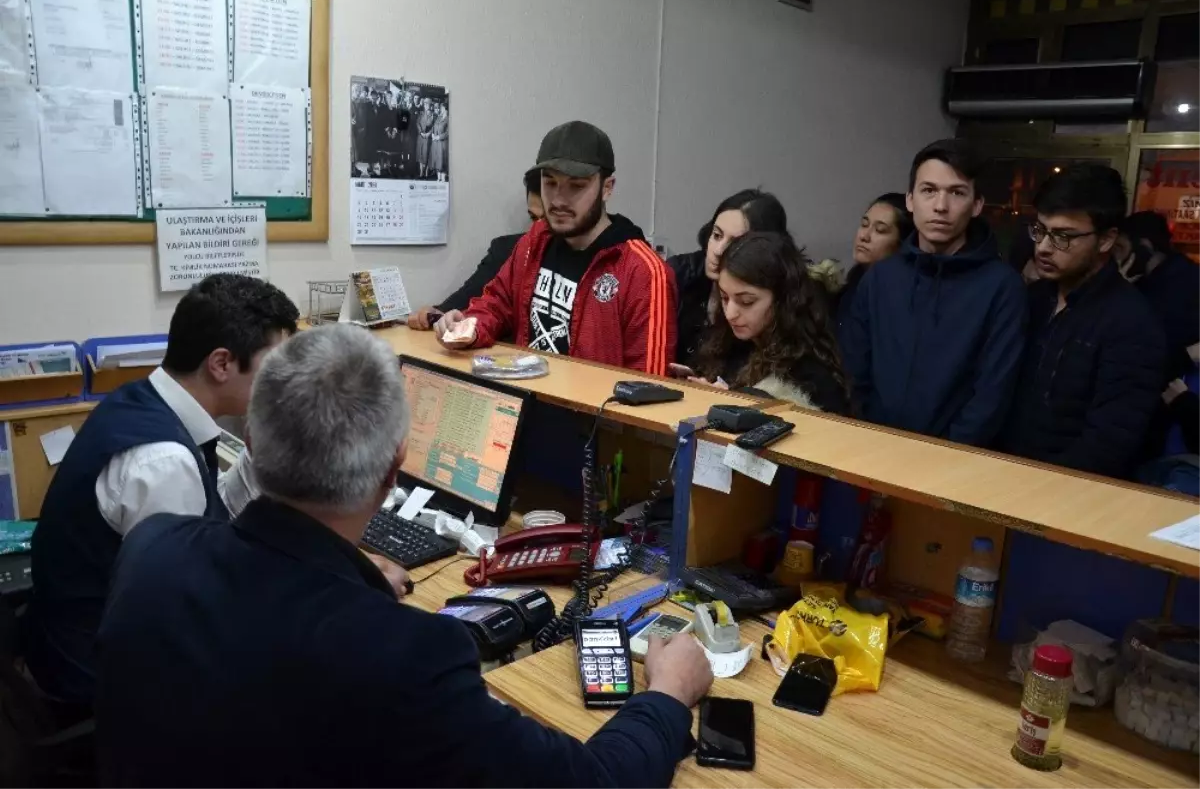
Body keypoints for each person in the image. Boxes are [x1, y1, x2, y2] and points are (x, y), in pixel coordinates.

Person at [95, 325, 714, 788]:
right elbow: (594, 781)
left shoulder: (152, 550)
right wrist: (665, 694)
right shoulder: (407, 658)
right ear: (394, 472)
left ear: (250, 441)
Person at [23, 274, 300, 713]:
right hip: (95, 673)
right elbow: (184, 618)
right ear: (221, 363)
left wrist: (261, 455)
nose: (283, 383)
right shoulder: (163, 462)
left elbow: (211, 518)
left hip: (66, 638)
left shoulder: (146, 398)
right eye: (275, 366)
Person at [435, 121, 675, 375]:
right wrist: (468, 327)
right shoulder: (536, 239)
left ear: (607, 188)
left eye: (576, 186)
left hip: (590, 412)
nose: (559, 199)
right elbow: (496, 303)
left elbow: (650, 387)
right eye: (550, 183)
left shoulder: (643, 272)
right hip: (524, 406)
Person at [840, 138, 1026, 446]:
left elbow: (992, 395)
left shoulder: (1002, 288)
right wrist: (868, 439)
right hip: (871, 451)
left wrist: (944, 457)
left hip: (952, 464)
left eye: (956, 192)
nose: (941, 206)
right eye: (929, 191)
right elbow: (854, 371)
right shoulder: (880, 278)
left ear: (977, 204)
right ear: (910, 200)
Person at [999, 164, 1166, 479]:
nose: (1045, 247)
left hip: (1067, 494)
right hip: (1005, 474)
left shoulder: (1132, 323)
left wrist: (1043, 486)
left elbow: (1110, 441)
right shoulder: (1032, 299)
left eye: (1063, 237)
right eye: (1040, 230)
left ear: (1106, 240)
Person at [691, 232, 850, 413]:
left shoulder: (810, 373)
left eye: (746, 302)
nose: (730, 314)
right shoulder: (729, 345)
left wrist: (732, 403)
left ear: (782, 300)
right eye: (724, 298)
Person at [407, 169, 546, 329]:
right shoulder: (508, 250)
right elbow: (473, 296)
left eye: (547, 220)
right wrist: (438, 313)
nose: (538, 229)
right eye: (534, 218)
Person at [666, 189, 788, 369]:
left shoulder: (777, 303)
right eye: (716, 235)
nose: (718, 251)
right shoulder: (680, 273)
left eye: (735, 243)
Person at [1114, 210, 1200, 380]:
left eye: (1120, 249)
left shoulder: (1181, 285)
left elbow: (1146, 353)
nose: (1115, 258)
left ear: (1144, 247)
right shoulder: (1143, 280)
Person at [835, 193, 914, 328]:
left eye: (880, 230)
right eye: (864, 224)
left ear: (902, 243)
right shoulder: (854, 285)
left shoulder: (899, 300)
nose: (864, 236)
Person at [416, 98, 435, 179]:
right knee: (420, 155)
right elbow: (417, 123)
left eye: (428, 104)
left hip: (427, 138)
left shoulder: (433, 115)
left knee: (426, 155)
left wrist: (428, 134)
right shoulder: (421, 114)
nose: (426, 105)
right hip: (420, 137)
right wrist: (420, 132)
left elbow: (434, 127)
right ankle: (421, 173)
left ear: (430, 105)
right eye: (425, 103)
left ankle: (426, 173)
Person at [431, 102, 449, 182]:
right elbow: (434, 126)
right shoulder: (439, 117)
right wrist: (433, 134)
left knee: (443, 162)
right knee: (437, 161)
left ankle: (443, 179)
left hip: (443, 144)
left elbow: (448, 133)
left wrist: (438, 137)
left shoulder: (449, 119)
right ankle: (438, 179)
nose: (440, 109)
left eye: (441, 108)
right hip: (436, 143)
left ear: (445, 109)